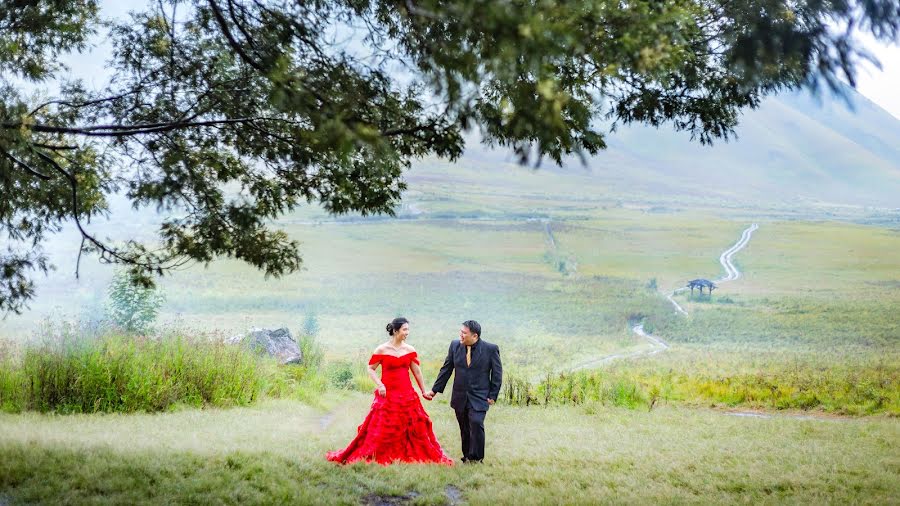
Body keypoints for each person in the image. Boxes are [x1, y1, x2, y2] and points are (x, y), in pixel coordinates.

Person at [326, 317, 453, 465]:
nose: (407, 332)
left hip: (407, 394)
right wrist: (380, 385)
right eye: (405, 329)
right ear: (395, 330)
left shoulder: (410, 350)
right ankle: (379, 453)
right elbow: (370, 368)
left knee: (413, 426)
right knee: (383, 427)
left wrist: (424, 391)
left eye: (408, 329)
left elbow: (417, 372)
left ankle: (406, 454)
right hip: (387, 394)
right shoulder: (382, 349)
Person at [424, 320, 501, 463]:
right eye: (460, 332)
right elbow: (446, 369)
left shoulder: (490, 349)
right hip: (460, 396)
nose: (460, 335)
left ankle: (477, 458)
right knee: (464, 427)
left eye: (464, 333)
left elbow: (497, 374)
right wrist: (434, 391)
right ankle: (467, 456)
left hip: (480, 396)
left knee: (476, 423)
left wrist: (493, 395)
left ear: (475, 336)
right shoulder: (454, 346)